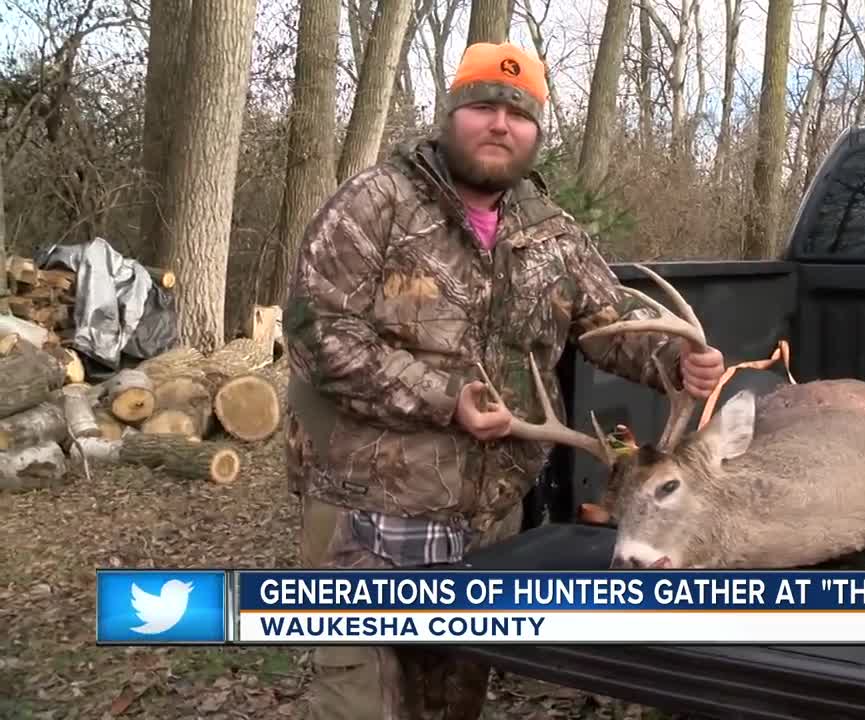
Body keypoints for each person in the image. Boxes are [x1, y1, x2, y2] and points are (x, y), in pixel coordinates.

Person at [282, 41, 726, 720]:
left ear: (536, 133)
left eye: (518, 115)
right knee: (362, 700)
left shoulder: (552, 234)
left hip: (490, 523)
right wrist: (444, 399)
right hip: (369, 517)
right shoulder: (375, 204)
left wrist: (674, 362)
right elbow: (318, 334)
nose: (500, 124)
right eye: (483, 106)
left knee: (458, 695)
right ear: (451, 115)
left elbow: (608, 319)